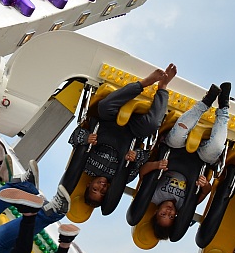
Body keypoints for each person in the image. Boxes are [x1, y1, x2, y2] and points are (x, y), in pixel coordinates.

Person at [69, 65, 177, 208]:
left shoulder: (84, 166)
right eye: (103, 192)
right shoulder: (123, 177)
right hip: (132, 132)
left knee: (104, 106)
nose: (101, 187)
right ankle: (162, 87)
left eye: (95, 189)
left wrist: (86, 138)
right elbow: (145, 157)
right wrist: (135, 156)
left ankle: (144, 83)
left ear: (89, 184)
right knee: (152, 125)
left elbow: (73, 138)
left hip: (108, 122)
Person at [141, 81, 231, 238]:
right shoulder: (185, 205)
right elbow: (206, 191)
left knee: (177, 135)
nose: (169, 211)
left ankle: (206, 102)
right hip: (198, 161)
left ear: (156, 212)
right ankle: (223, 106)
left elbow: (142, 172)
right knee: (216, 147)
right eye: (171, 216)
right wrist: (205, 184)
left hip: (174, 150)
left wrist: (156, 165)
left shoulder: (153, 196)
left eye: (163, 214)